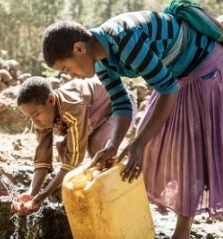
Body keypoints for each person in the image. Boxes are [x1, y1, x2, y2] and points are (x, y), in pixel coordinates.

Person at [41, 0, 223, 239]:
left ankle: (181, 238)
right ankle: (146, 222)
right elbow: (123, 104)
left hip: (206, 64)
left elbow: (168, 90)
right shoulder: (101, 62)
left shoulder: (125, 39)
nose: (73, 76)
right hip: (175, 76)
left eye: (67, 69)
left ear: (79, 48)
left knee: (188, 148)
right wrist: (114, 143)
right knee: (148, 142)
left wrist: (138, 141)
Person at [12, 76, 133, 215]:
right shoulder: (42, 116)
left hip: (120, 106)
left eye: (36, 115)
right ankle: (79, 191)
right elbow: (42, 160)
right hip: (94, 116)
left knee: (94, 144)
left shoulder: (72, 107)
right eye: (29, 118)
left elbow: (74, 161)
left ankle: (113, 193)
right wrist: (31, 193)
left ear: (51, 100)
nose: (34, 121)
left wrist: (43, 195)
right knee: (62, 147)